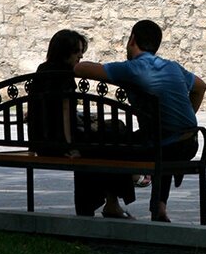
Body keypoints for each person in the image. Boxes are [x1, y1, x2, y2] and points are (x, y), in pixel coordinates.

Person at [73, 19, 206, 223]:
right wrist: (188, 117)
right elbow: (201, 87)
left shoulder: (133, 68)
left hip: (163, 146)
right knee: (159, 139)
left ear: (132, 39)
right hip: (190, 143)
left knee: (105, 144)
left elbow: (81, 69)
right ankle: (159, 207)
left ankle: (109, 204)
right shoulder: (173, 67)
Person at [30, 29, 135, 218]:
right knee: (112, 138)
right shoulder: (65, 75)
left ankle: (107, 201)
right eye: (77, 51)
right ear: (64, 52)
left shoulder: (42, 70)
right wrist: (70, 146)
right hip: (59, 144)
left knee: (107, 137)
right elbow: (64, 112)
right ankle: (114, 197)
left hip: (42, 143)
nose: (81, 55)